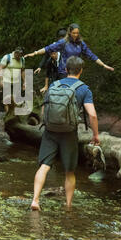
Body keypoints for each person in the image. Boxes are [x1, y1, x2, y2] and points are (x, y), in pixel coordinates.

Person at [30, 56, 100, 211]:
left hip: (50, 131)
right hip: (69, 133)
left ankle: (35, 200)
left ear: (66, 69)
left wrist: (47, 123)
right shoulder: (83, 89)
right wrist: (95, 135)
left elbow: (44, 108)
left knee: (44, 166)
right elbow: (92, 115)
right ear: (81, 71)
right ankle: (68, 205)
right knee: (69, 171)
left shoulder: (54, 85)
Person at [25, 23, 114, 77]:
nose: (75, 35)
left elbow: (91, 55)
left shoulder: (81, 43)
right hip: (64, 71)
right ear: (69, 33)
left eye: (77, 33)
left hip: (75, 71)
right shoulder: (64, 42)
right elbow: (48, 49)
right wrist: (35, 53)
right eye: (74, 33)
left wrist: (103, 65)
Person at [0, 47, 26, 113]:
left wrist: (25, 82)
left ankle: (14, 113)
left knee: (15, 98)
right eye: (17, 54)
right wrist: (1, 80)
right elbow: (0, 68)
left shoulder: (22, 59)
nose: (18, 56)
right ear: (15, 52)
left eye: (20, 55)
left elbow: (22, 71)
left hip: (16, 82)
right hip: (6, 81)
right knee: (6, 99)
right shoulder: (7, 57)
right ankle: (8, 114)